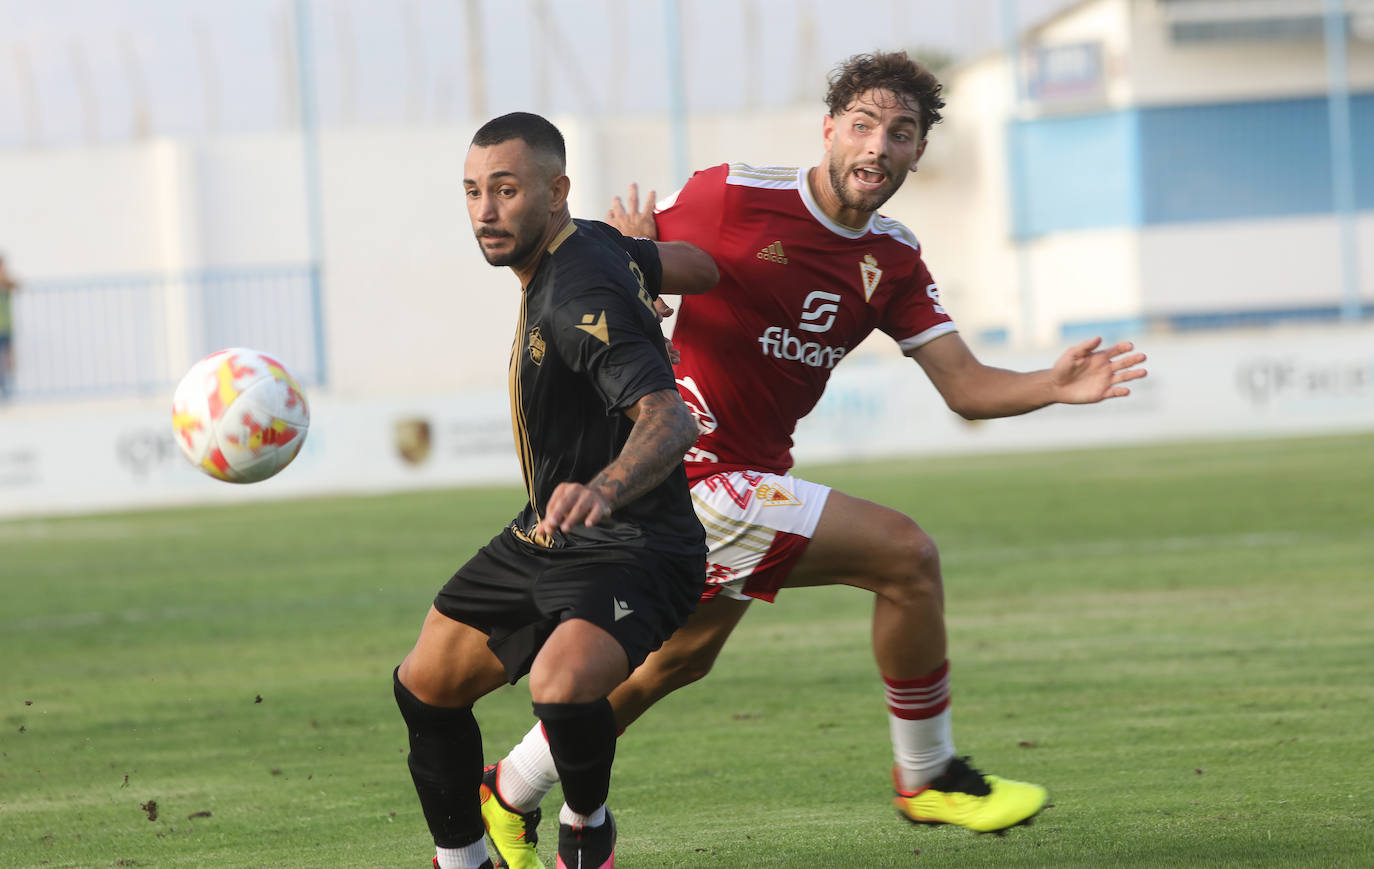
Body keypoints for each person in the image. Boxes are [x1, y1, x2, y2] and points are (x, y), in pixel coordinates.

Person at [478, 52, 1149, 865]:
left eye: (900, 134)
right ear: (829, 130)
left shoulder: (893, 259)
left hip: (753, 471)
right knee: (906, 557)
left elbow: (966, 387)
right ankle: (927, 772)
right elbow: (615, 267)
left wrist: (1052, 382)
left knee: (675, 663)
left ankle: (507, 791)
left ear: (917, 152)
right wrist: (637, 270)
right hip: (690, 473)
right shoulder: (732, 195)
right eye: (862, 126)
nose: (877, 147)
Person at [393, 111, 718, 869]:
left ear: (557, 190)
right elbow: (701, 267)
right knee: (426, 685)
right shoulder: (593, 243)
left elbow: (670, 421)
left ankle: (587, 819)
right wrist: (648, 270)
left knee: (562, 685)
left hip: (638, 544)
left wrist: (604, 489)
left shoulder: (578, 296)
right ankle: (463, 861)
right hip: (546, 531)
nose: (485, 210)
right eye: (473, 191)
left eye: (506, 190)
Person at [0, 254, 19, 400]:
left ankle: (8, 388)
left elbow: (17, 285)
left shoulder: (6, 283)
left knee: (8, 358)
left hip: (6, 327)